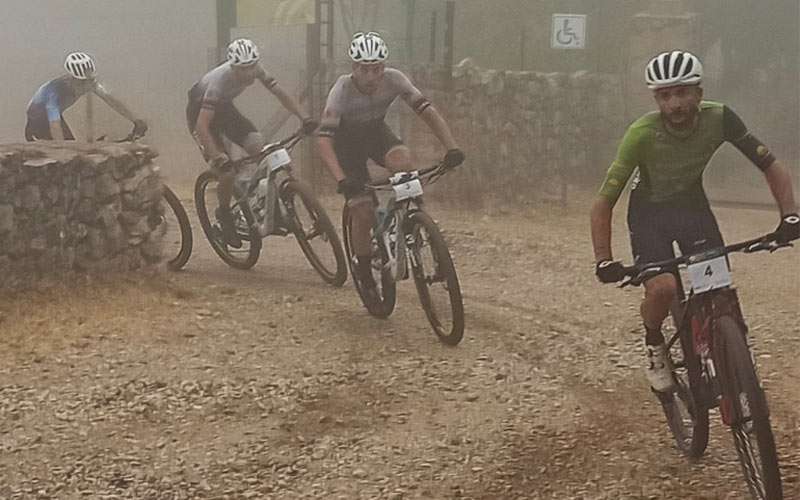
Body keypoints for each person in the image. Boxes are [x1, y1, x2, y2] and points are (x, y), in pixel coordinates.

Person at [590, 50, 799, 392]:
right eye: (665, 95)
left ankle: (730, 345)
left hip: (692, 209)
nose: (675, 103)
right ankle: (655, 344)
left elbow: (770, 165)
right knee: (664, 288)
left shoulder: (720, 118)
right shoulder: (641, 134)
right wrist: (603, 259)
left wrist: (789, 215)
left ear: (699, 94)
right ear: (656, 99)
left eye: (683, 92)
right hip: (649, 215)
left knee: (716, 288)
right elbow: (603, 202)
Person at [316, 31, 465, 294]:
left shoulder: (395, 79)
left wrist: (451, 147)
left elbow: (427, 112)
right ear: (354, 68)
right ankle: (363, 268)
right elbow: (323, 141)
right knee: (362, 209)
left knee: (404, 162)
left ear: (384, 66)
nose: (372, 76)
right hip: (345, 143)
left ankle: (413, 222)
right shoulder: (341, 89)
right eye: (365, 69)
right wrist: (342, 180)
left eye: (377, 69)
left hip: (375, 132)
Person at [187, 38, 317, 248]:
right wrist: (218, 157)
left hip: (224, 110)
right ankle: (225, 215)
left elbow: (281, 94)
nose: (248, 74)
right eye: (242, 70)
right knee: (227, 172)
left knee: (260, 146)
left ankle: (267, 203)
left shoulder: (257, 69)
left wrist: (305, 117)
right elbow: (202, 126)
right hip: (200, 115)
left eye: (251, 67)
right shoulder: (218, 82)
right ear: (232, 66)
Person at [25, 52, 147, 141]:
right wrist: (63, 151)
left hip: (54, 119)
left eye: (91, 80)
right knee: (66, 154)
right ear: (71, 79)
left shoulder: (88, 82)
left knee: (71, 148)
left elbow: (111, 99)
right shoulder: (54, 91)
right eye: (82, 82)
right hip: (37, 123)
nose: (87, 85)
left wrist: (136, 120)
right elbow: (54, 124)